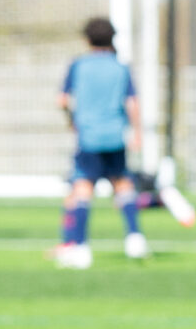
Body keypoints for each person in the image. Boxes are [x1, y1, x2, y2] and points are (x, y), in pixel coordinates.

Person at [55, 16, 145, 268]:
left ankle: (81, 248)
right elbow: (132, 103)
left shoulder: (79, 65)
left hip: (89, 137)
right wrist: (137, 132)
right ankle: (135, 238)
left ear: (87, 39)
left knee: (82, 188)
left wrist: (71, 120)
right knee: (123, 185)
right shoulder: (121, 67)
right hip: (115, 135)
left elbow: (62, 100)